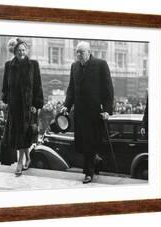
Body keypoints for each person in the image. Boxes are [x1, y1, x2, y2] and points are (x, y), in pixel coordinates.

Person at [61, 41, 114, 184]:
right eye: (77, 52)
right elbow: (71, 89)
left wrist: (108, 110)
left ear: (89, 52)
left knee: (90, 143)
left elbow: (108, 88)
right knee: (83, 144)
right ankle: (95, 162)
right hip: (79, 112)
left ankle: (88, 173)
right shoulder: (74, 66)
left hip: (94, 112)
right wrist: (66, 105)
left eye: (81, 52)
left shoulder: (100, 64)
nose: (79, 55)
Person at [1, 38, 44, 176]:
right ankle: (28, 158)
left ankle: (20, 161)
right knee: (19, 134)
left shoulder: (33, 65)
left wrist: (36, 104)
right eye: (19, 50)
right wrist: (6, 99)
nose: (21, 52)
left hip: (28, 106)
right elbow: (5, 86)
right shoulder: (9, 65)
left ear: (27, 51)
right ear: (15, 52)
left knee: (24, 134)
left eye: (24, 50)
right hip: (15, 106)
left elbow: (38, 85)